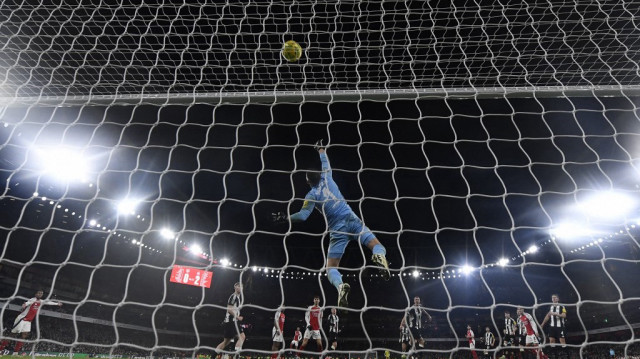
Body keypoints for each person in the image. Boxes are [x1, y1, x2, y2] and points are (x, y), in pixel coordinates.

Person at [274, 140, 390, 307]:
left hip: (337, 231)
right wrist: (321, 149)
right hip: (352, 220)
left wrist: (285, 218)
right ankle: (379, 256)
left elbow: (302, 216)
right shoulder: (327, 176)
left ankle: (341, 286)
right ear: (320, 175)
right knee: (378, 246)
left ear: (308, 182)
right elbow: (325, 161)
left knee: (331, 269)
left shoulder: (311, 195)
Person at [216, 283, 245, 354]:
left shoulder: (238, 297)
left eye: (242, 286)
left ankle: (213, 356)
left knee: (226, 342)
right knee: (242, 337)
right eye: (239, 286)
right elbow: (229, 309)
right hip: (232, 321)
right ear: (235, 287)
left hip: (230, 321)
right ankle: (236, 356)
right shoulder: (234, 296)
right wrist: (238, 317)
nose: (241, 288)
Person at [539, 294, 567, 359]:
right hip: (552, 327)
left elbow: (564, 315)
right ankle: (555, 356)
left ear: (558, 299)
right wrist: (542, 324)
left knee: (562, 341)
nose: (553, 299)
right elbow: (548, 316)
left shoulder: (562, 306)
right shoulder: (550, 307)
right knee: (551, 341)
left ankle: (567, 356)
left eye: (555, 297)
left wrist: (556, 314)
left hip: (560, 327)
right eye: (552, 298)